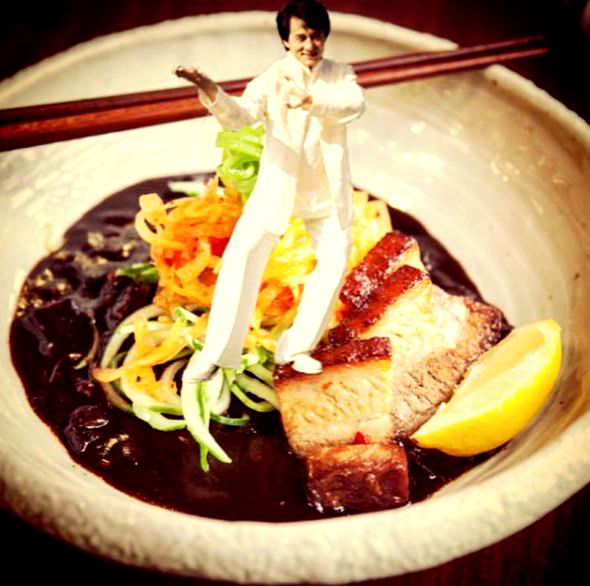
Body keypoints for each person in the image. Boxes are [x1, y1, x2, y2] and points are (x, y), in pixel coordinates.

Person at [175, 0, 365, 381]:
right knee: (242, 256)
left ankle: (298, 348)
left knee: (334, 261)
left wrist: (311, 101)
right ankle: (216, 354)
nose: (309, 44)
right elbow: (241, 118)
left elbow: (353, 104)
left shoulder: (339, 75)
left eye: (316, 36)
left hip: (325, 194)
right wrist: (209, 90)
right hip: (277, 187)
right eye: (301, 36)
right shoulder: (271, 79)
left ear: (325, 37)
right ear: (285, 40)